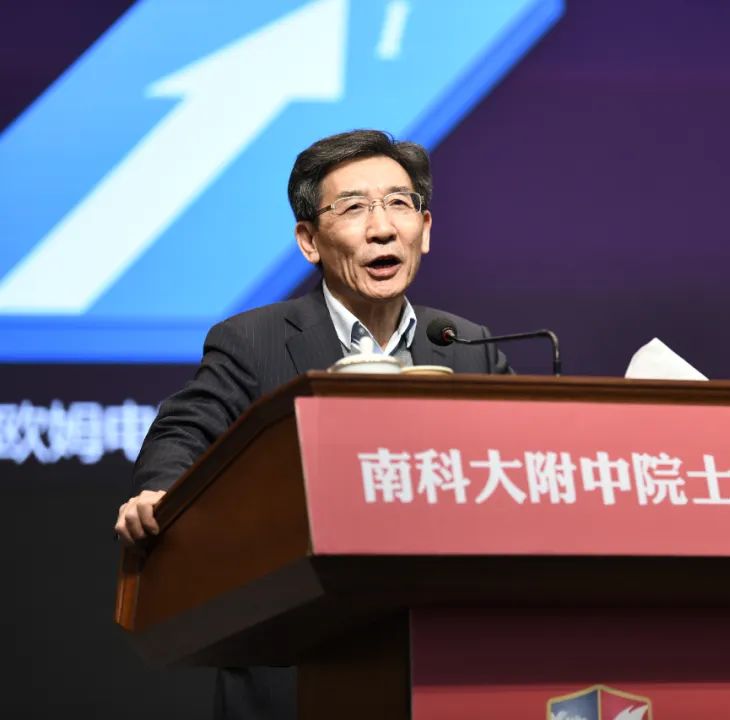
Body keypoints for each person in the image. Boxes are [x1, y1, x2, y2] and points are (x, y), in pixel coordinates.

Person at [114, 129, 511, 719]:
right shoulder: (255, 341)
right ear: (308, 241)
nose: (382, 228)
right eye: (353, 208)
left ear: (425, 229)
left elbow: (521, 455)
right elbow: (184, 429)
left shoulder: (466, 344)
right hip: (299, 667)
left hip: (437, 664)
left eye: (399, 204)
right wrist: (163, 493)